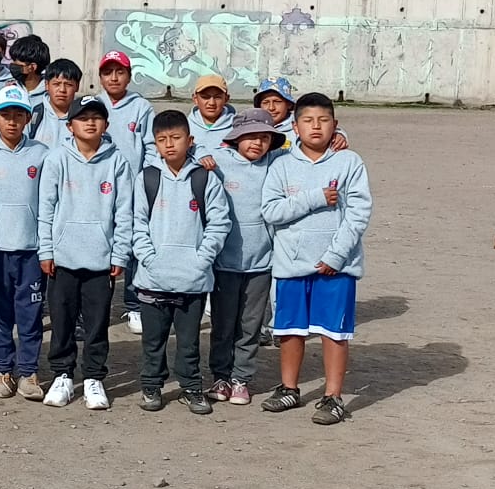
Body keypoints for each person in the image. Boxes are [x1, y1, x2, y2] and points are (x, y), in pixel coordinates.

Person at [259, 92, 373, 425]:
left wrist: (336, 256)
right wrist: (315, 198)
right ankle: (289, 388)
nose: (316, 127)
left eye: (323, 120)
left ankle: (333, 396)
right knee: (290, 330)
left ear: (335, 125)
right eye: (308, 121)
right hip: (292, 265)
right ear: (295, 127)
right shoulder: (281, 165)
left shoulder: (349, 162)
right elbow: (271, 211)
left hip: (336, 268)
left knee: (333, 332)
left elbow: (358, 214)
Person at [132, 109, 232, 415]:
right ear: (155, 144)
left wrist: (201, 260)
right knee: (153, 341)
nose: (169, 144)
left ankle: (191, 387)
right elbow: (136, 224)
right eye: (162, 139)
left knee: (189, 342)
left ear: (190, 141)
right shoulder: (147, 178)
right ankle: (151, 385)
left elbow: (219, 223)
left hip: (192, 280)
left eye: (176, 138)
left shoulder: (205, 178)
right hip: (153, 278)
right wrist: (150, 259)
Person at [36, 96, 132, 411]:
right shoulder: (56, 159)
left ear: (106, 124)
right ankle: (62, 375)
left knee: (97, 323)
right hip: (62, 258)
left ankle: (93, 377)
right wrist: (46, 250)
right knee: (62, 320)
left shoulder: (117, 162)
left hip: (100, 260)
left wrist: (119, 254)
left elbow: (124, 212)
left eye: (96, 117)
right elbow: (46, 210)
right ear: (70, 125)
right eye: (83, 117)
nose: (90, 123)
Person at [204, 108, 285, 404]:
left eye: (264, 138)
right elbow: (190, 151)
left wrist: (339, 136)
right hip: (224, 263)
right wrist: (200, 157)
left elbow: (306, 152)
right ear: (236, 138)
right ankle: (220, 377)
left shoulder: (277, 163)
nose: (257, 143)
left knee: (250, 326)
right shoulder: (218, 161)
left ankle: (241, 379)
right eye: (250, 136)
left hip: (261, 263)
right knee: (223, 325)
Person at [0, 85, 48, 400]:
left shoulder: (41, 153)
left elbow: (50, 202)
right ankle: (3, 371)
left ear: (28, 119)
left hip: (30, 251)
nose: (12, 121)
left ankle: (29, 373)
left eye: (19, 115)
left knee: (30, 315)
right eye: (5, 115)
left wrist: (46, 247)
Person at [98, 49, 155, 335]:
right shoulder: (93, 105)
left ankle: (133, 305)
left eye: (120, 72)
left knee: (131, 247)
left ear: (129, 76)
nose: (114, 77)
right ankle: (97, 304)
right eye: (108, 72)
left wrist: (145, 182)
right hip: (98, 189)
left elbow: (150, 147)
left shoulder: (141, 107)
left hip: (131, 190)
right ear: (100, 77)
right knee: (102, 243)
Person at [8, 34, 51, 126]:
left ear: (32, 67)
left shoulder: (50, 95)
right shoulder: (10, 90)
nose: (12, 65)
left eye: (17, 64)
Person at [39, 57, 82, 148]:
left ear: (77, 86)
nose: (62, 90)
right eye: (56, 84)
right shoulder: (34, 115)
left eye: (68, 85)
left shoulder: (83, 117)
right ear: (47, 85)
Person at [189, 73, 235, 159]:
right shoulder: (184, 127)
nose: (211, 103)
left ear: (226, 99)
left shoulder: (237, 127)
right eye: (205, 97)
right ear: (195, 99)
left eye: (217, 97)